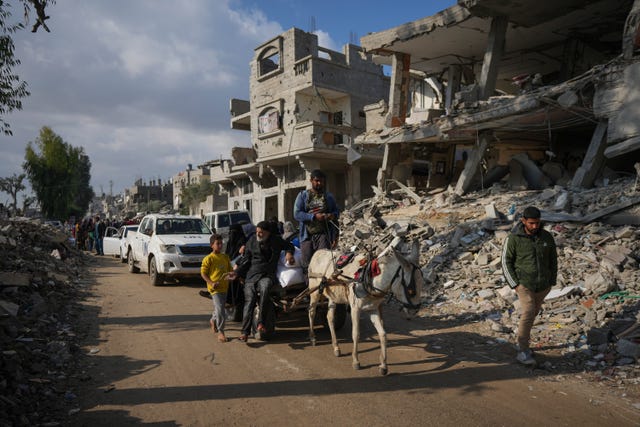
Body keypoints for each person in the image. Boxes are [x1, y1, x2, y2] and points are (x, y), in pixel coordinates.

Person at [502, 206, 557, 366]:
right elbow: (506, 261)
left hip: (543, 285)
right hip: (524, 284)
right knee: (528, 312)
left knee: (533, 314)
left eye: (537, 223)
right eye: (531, 223)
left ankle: (523, 342)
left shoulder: (546, 237)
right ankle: (523, 349)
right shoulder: (513, 238)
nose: (534, 226)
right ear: (523, 221)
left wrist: (551, 281)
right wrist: (515, 284)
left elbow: (553, 259)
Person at [235, 221, 295, 342]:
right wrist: (236, 273)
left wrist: (289, 254)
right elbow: (246, 261)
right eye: (257, 232)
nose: (259, 234)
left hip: (267, 275)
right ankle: (245, 332)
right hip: (252, 276)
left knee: (265, 288)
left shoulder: (276, 240)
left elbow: (289, 246)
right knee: (250, 300)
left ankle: (261, 323)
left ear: (268, 232)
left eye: (261, 232)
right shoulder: (252, 241)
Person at [293, 169, 339, 282]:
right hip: (306, 235)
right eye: (317, 181)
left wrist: (331, 216)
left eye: (322, 181)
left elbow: (337, 212)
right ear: (311, 181)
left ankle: (321, 290)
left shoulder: (328, 197)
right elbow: (297, 214)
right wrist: (313, 217)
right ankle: (309, 290)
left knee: (322, 262)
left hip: (323, 235)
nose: (319, 184)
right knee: (307, 264)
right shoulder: (303, 196)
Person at [201, 234, 236, 343]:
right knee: (221, 309)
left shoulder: (225, 257)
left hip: (224, 287)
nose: (220, 245)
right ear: (212, 245)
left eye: (221, 243)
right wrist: (211, 283)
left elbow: (230, 271)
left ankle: (213, 320)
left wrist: (233, 276)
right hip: (215, 289)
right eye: (218, 243)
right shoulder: (208, 259)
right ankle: (221, 331)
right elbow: (203, 273)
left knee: (220, 308)